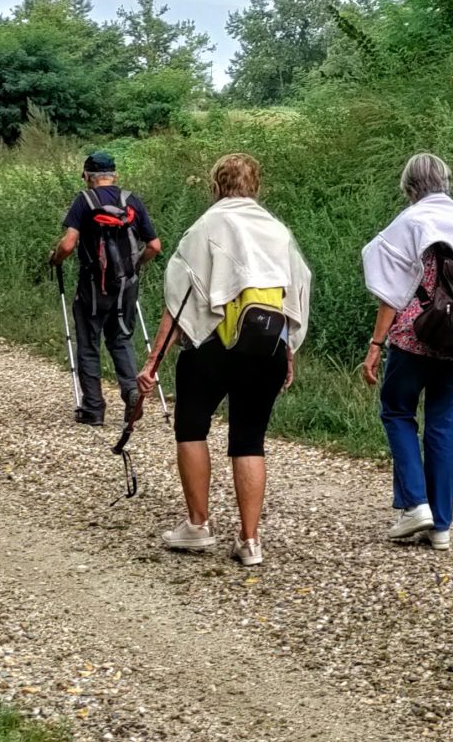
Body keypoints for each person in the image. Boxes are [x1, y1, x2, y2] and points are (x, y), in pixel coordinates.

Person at [138, 152, 311, 568]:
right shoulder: (277, 231)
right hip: (265, 345)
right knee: (249, 439)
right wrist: (287, 350)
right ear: (257, 187)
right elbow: (296, 293)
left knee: (192, 427)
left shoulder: (205, 227)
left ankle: (198, 525)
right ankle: (250, 541)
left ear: (215, 186)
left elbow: (178, 302)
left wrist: (153, 362)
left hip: (212, 345)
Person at [361, 153, 453, 552]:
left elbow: (390, 290)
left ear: (409, 188)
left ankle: (415, 505)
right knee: (445, 428)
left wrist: (375, 345)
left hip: (414, 338)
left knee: (396, 410)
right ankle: (440, 525)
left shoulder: (411, 221)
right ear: (446, 182)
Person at [45, 149, 161, 425]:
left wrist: (55, 259)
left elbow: (68, 243)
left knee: (88, 344)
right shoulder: (130, 200)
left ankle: (93, 409)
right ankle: (132, 392)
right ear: (114, 175)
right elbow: (155, 246)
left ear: (87, 176)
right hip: (126, 287)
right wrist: (136, 266)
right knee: (120, 339)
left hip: (93, 288)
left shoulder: (84, 201)